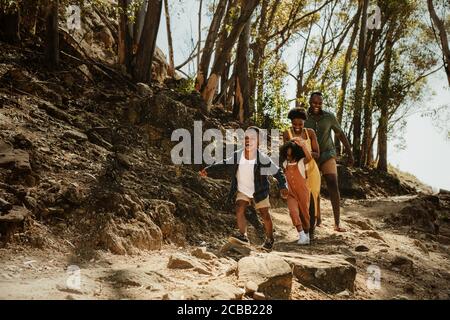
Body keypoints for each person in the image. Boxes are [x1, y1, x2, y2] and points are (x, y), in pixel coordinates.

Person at [199, 126, 288, 251]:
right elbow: (224, 163)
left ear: (259, 142)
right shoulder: (237, 155)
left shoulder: (262, 158)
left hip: (259, 191)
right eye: (246, 138)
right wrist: (208, 169)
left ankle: (269, 239)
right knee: (239, 207)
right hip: (243, 189)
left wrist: (283, 186)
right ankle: (243, 236)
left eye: (252, 138)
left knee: (265, 214)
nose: (248, 141)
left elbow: (277, 171)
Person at [304, 92, 354, 232]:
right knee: (314, 187)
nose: (317, 105)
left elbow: (340, 134)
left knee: (332, 182)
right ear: (309, 102)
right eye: (314, 102)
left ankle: (337, 223)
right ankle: (316, 218)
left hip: (327, 154)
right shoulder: (304, 117)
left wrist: (349, 153)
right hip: (311, 155)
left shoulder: (329, 117)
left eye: (319, 103)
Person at [283, 107, 321, 241]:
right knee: (299, 201)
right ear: (291, 122)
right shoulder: (287, 133)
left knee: (311, 200)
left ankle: (311, 231)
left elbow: (317, 153)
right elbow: (285, 153)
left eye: (300, 124)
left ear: (305, 122)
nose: (297, 127)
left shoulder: (310, 133)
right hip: (296, 170)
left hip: (311, 169)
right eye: (295, 124)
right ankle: (303, 232)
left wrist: (304, 148)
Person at [280, 140, 313, 244]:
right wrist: (284, 189)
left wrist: (303, 145)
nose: (288, 157)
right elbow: (285, 178)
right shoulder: (285, 164)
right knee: (293, 212)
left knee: (305, 214)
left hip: (303, 192)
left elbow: (309, 158)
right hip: (291, 194)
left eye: (290, 154)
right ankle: (301, 234)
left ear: (296, 153)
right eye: (287, 154)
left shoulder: (301, 162)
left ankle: (307, 235)